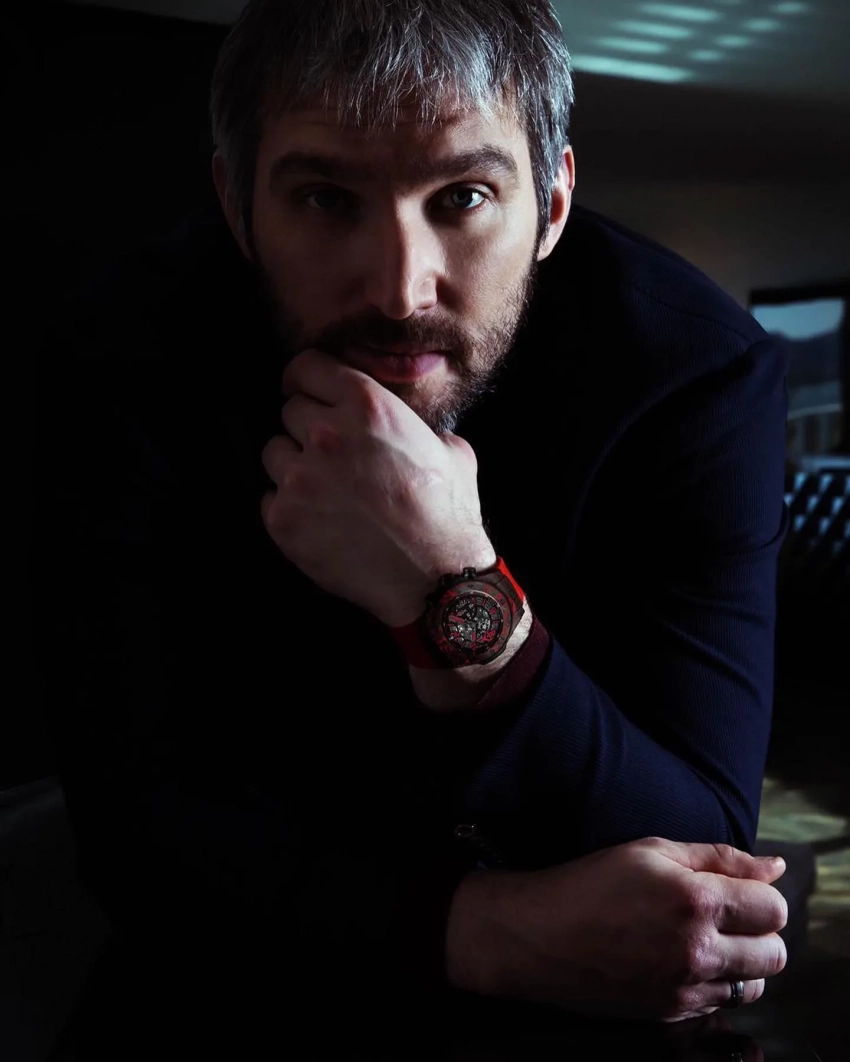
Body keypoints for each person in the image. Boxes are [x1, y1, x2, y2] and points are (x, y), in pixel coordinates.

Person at [35, 0, 791, 1052]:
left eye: (463, 196)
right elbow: (132, 837)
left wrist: (451, 592)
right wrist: (481, 930)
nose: (400, 290)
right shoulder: (122, 354)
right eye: (325, 199)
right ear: (236, 206)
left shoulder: (693, 378)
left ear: (553, 202)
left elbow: (704, 860)